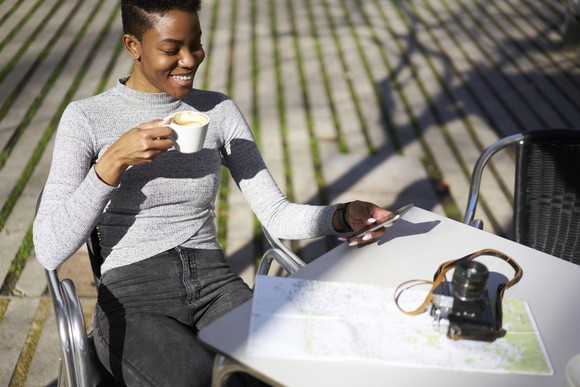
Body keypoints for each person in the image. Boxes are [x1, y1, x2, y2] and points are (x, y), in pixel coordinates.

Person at [33, 0, 393, 386]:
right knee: (199, 380)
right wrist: (112, 164)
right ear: (133, 45)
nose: (189, 60)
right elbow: (50, 248)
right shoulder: (86, 118)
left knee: (295, 366)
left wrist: (341, 216)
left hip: (216, 286)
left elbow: (275, 212)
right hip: (134, 299)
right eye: (172, 49)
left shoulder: (217, 110)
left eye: (196, 44)